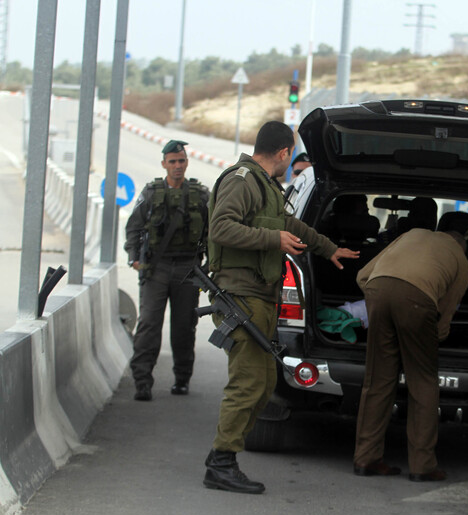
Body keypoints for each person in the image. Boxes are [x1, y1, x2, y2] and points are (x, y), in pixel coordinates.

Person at [202, 121, 360, 494]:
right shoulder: (242, 179)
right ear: (284, 153)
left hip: (261, 296)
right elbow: (220, 228)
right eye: (290, 156)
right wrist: (272, 239)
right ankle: (221, 462)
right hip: (241, 296)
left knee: (266, 383)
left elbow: (290, 224)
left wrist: (328, 248)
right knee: (248, 383)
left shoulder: (264, 185)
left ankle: (222, 458)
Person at [353, 228, 468, 482]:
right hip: (418, 301)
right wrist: (430, 335)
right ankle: (423, 465)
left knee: (377, 381)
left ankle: (366, 458)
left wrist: (381, 304)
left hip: (376, 290)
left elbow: (363, 276)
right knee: (423, 382)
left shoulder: (412, 234)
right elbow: (445, 315)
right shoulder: (462, 263)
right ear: (461, 247)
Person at [124, 140, 209, 402]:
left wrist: (208, 266)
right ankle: (142, 382)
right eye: (172, 161)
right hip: (157, 268)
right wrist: (134, 258)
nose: (177, 166)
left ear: (186, 162)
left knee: (184, 327)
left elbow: (212, 231)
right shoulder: (151, 193)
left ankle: (182, 378)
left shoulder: (200, 194)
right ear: (164, 164)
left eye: (181, 161)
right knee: (149, 324)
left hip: (187, 268)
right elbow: (134, 227)